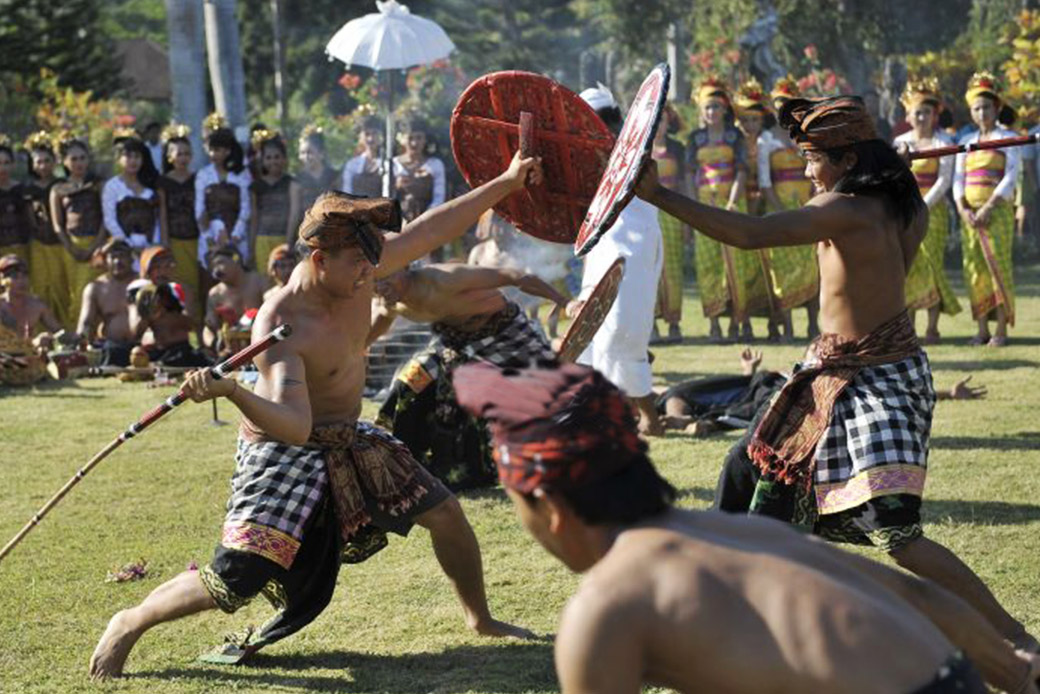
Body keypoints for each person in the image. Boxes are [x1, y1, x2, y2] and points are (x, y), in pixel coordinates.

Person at [88, 150, 543, 680]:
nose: (370, 276)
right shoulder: (282, 322)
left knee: (445, 514)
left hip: (347, 434)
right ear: (320, 259)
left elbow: (429, 230)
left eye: (372, 262)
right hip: (283, 447)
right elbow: (294, 425)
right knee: (238, 576)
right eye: (358, 265)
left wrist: (505, 182)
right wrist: (234, 391)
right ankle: (130, 620)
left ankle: (480, 619)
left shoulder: (359, 266)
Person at [636, 94, 1039, 653]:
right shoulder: (902, 206)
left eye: (814, 159)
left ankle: (1017, 639)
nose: (806, 171)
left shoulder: (849, 213)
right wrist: (891, 167)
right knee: (749, 466)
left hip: (877, 382)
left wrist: (658, 194)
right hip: (834, 372)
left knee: (898, 535)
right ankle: (714, 605)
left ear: (848, 161)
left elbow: (749, 234)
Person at [452, 360, 1040, 694]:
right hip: (953, 678)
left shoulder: (606, 603)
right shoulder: (744, 533)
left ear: (549, 509)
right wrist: (1016, 674)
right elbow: (917, 594)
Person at [372, 262, 565, 489]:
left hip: (504, 332)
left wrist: (565, 302)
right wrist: (356, 349)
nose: (380, 285)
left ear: (405, 267)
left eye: (386, 276)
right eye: (375, 280)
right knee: (410, 382)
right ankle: (406, 463)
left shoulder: (445, 278)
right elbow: (382, 320)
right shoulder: (389, 300)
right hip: (454, 341)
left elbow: (516, 274)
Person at [571, 84, 663, 436]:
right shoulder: (581, 160)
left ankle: (651, 419)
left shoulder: (634, 150)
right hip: (600, 245)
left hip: (635, 245)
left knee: (623, 331)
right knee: (593, 330)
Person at [687, 77, 764, 341]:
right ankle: (714, 325)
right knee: (707, 265)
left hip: (732, 205)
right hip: (703, 207)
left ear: (723, 110)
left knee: (736, 265)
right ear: (702, 111)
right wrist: (692, 205)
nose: (712, 113)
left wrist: (732, 202)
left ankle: (739, 322)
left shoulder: (735, 136)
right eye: (707, 108)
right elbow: (689, 175)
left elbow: (741, 171)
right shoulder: (695, 138)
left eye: (716, 107)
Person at [749, 77, 820, 341]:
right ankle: (788, 327)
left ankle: (814, 326)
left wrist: (812, 202)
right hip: (779, 209)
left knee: (811, 267)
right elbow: (765, 182)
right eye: (779, 105)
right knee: (783, 270)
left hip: (809, 208)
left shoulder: (806, 137)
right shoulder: (765, 140)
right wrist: (781, 211)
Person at [953, 72, 1020, 347]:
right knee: (975, 271)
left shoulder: (1009, 137)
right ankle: (981, 329)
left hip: (997, 213)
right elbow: (958, 178)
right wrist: (962, 208)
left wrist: (990, 206)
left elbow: (1012, 175)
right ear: (971, 112)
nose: (982, 113)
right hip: (970, 216)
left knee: (998, 268)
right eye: (977, 108)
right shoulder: (966, 141)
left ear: (997, 109)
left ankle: (1001, 330)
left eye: (987, 107)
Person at [894, 78, 963, 343]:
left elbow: (944, 180)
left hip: (933, 212)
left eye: (926, 112)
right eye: (917, 112)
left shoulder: (944, 141)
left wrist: (921, 205)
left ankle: (932, 327)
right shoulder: (900, 142)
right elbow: (894, 178)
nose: (921, 116)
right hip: (904, 214)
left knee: (931, 264)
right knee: (908, 267)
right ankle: (908, 327)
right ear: (908, 116)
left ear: (935, 115)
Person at [50, 134, 106, 330]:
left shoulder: (97, 185)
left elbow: (105, 218)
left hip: (96, 245)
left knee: (94, 289)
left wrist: (96, 246)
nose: (79, 163)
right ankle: (77, 338)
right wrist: (71, 247)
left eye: (82, 158)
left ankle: (97, 336)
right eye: (74, 159)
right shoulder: (58, 189)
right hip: (71, 247)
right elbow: (58, 224)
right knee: (75, 292)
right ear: (64, 161)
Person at [155, 124, 203, 321]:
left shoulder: (198, 178)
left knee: (199, 282)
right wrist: (165, 242)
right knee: (180, 283)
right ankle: (182, 322)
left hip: (197, 238)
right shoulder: (163, 182)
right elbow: (163, 213)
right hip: (175, 239)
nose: (183, 158)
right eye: (178, 154)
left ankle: (200, 324)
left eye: (186, 153)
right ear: (169, 157)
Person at [23, 131, 69, 327]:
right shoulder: (27, 189)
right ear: (32, 164)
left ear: (55, 162)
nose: (43, 166)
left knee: (61, 287)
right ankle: (40, 330)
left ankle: (65, 329)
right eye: (38, 162)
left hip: (59, 243)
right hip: (38, 245)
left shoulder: (62, 185)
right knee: (40, 286)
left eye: (47, 161)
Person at [650, 105, 686, 345]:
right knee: (649, 266)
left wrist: (686, 219)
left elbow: (683, 183)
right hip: (648, 215)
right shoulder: (639, 148)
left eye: (661, 120)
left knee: (672, 269)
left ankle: (674, 323)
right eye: (654, 120)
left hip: (672, 213)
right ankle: (650, 323)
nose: (658, 125)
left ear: (668, 122)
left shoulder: (677, 148)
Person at [195, 115, 251, 268]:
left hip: (236, 236)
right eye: (211, 150)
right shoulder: (203, 175)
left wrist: (234, 237)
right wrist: (210, 240)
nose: (213, 154)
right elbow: (200, 210)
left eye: (217, 150)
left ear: (227, 151)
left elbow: (246, 208)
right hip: (210, 237)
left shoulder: (241, 175)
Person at [75, 239, 135, 366]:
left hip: (143, 345)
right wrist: (82, 345)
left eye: (122, 256)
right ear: (105, 261)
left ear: (132, 259)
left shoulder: (144, 284)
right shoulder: (95, 288)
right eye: (113, 257)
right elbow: (86, 324)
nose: (117, 261)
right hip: (111, 347)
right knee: (112, 350)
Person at [249, 129, 298, 285]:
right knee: (266, 281)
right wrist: (251, 246)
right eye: (268, 158)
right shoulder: (256, 186)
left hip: (283, 238)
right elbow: (254, 217)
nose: (273, 161)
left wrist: (289, 242)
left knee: (286, 280)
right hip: (262, 239)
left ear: (284, 159)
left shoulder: (291, 183)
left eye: (277, 157)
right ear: (262, 160)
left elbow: (294, 213)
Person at [102, 132, 161, 261]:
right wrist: (129, 245)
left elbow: (157, 219)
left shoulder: (150, 186)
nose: (133, 161)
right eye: (128, 156)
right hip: (123, 250)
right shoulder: (112, 186)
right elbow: (109, 219)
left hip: (149, 249)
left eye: (137, 156)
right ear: (119, 159)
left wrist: (153, 245)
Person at [128, 280, 210, 367]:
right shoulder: (150, 311)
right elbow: (137, 335)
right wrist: (146, 316)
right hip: (160, 352)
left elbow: (193, 324)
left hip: (181, 351)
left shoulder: (177, 313)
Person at [203, 245, 264, 352]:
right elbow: (209, 327)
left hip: (262, 346)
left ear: (236, 259)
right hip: (231, 351)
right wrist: (214, 344)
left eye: (220, 263)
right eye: (212, 267)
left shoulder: (259, 282)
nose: (216, 270)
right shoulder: (215, 293)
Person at [394, 116, 446, 227]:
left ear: (425, 140)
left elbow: (439, 197)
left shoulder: (435, 164)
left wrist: (424, 219)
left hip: (427, 223)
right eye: (410, 138)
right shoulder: (393, 164)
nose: (414, 143)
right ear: (403, 140)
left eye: (419, 138)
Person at [0, 254, 62, 345]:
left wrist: (50, 338)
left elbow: (59, 332)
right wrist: (33, 342)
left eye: (24, 276)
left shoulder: (37, 305)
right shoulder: (1, 306)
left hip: (30, 355)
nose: (21, 282)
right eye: (15, 277)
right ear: (2, 281)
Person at [294, 125, 340, 213]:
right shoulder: (297, 180)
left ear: (321, 153)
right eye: (302, 153)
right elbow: (295, 212)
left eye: (309, 152)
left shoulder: (334, 176)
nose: (305, 157)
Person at [0, 136, 31, 262]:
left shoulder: (22, 189)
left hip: (22, 247)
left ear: (13, 165)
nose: (3, 168)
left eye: (6, 163)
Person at [342, 114, 385, 198]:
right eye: (367, 134)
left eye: (374, 133)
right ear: (361, 137)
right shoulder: (352, 165)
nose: (371, 138)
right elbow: (346, 192)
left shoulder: (388, 163)